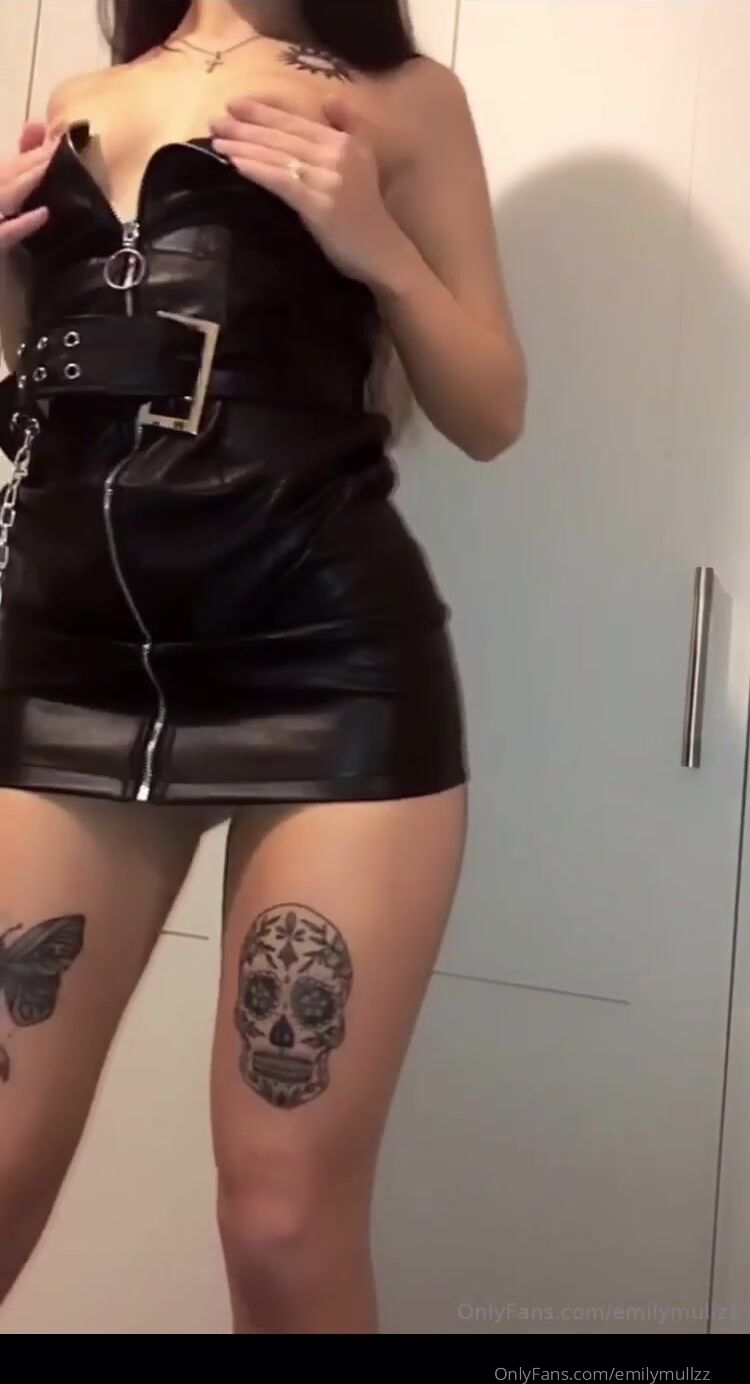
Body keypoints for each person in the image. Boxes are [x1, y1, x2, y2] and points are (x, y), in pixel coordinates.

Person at [0, 0, 526, 1335]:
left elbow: (490, 409)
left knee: (283, 1223)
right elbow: (45, 381)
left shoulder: (403, 97)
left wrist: (375, 244)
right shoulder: (80, 95)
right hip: (68, 666)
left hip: (322, 663)